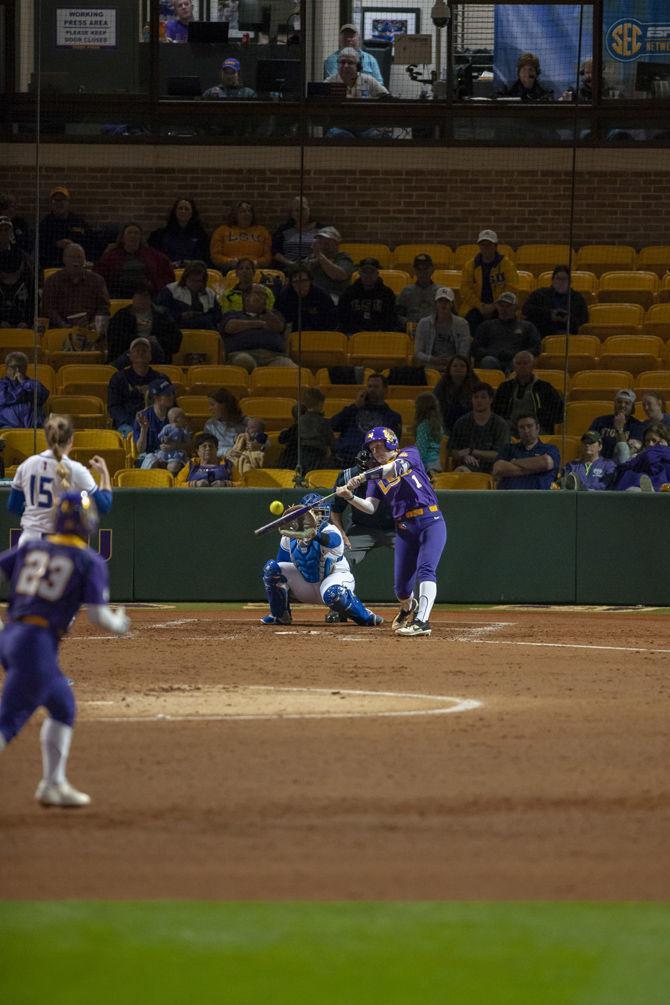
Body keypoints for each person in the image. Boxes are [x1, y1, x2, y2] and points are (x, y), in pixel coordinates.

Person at [0, 491, 130, 807]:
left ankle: (53, 784)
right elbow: (99, 617)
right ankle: (52, 784)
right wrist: (120, 624)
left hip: (11, 635)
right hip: (37, 644)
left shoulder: (31, 545)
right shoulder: (88, 559)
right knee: (7, 723)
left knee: (63, 707)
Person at [338, 427, 447, 638]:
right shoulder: (375, 479)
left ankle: (422, 621)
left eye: (379, 446)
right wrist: (349, 497)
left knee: (426, 569)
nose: (376, 452)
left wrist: (360, 477)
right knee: (401, 589)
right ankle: (407, 608)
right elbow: (370, 507)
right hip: (405, 528)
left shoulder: (410, 453)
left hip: (430, 520)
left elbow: (395, 469)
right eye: (372, 449)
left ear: (390, 443)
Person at [261, 493, 383, 627]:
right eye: (311, 512)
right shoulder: (290, 536)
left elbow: (331, 541)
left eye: (319, 512)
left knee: (333, 594)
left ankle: (365, 616)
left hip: (333, 578)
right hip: (306, 584)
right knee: (271, 568)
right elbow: (280, 567)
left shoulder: (332, 531)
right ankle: (279, 615)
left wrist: (314, 535)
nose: (315, 516)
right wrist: (284, 591)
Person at [8, 412, 112, 544]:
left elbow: (13, 507)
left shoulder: (27, 465)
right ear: (71, 440)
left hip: (29, 542)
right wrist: (104, 474)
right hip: (61, 545)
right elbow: (104, 506)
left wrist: (36, 512)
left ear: (47, 438)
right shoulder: (76, 469)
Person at [328, 446, 396, 622]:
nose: (372, 467)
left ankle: (417, 608)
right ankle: (340, 607)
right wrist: (342, 533)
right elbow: (335, 510)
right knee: (339, 560)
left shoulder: (395, 471)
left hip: (395, 528)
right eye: (367, 466)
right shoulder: (349, 476)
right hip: (362, 527)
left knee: (415, 558)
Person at [330, 372, 403, 467]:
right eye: (369, 386)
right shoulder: (353, 410)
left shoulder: (392, 417)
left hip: (373, 465)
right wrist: (355, 406)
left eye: (376, 387)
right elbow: (334, 425)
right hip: (345, 460)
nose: (372, 390)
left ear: (385, 390)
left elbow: (391, 446)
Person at [220, 284, 294, 371]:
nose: (262, 298)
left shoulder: (274, 315)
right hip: (242, 353)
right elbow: (230, 327)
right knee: (244, 362)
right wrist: (259, 324)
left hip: (274, 355)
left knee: (289, 368)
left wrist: (264, 311)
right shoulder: (234, 314)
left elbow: (279, 327)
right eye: (258, 294)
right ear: (246, 297)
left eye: (265, 295)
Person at [459, 229, 519, 336]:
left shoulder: (507, 265)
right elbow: (465, 289)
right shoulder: (470, 265)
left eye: (489, 244)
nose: (486, 247)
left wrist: (496, 305)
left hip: (501, 307)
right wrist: (480, 305)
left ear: (495, 246)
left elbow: (512, 288)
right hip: (475, 307)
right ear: (479, 246)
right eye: (483, 244)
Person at [106, 282, 182, 364]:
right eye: (139, 296)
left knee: (151, 347)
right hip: (129, 352)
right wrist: (140, 341)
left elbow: (175, 338)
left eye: (145, 296)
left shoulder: (163, 315)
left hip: (154, 353)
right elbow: (115, 339)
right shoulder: (122, 315)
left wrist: (158, 340)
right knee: (138, 351)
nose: (142, 300)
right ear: (133, 298)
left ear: (151, 298)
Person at [492, 351, 564, 435]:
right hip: (509, 429)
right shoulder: (504, 387)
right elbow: (496, 412)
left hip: (538, 430)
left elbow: (558, 413)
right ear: (513, 366)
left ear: (533, 366)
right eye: (518, 363)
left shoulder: (545, 387)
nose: (522, 366)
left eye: (525, 363)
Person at [107, 337, 169, 436]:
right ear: (130, 356)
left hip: (156, 423)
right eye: (136, 350)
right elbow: (113, 407)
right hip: (127, 423)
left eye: (144, 350)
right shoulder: (118, 378)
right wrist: (131, 421)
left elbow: (170, 404)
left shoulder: (161, 379)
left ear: (150, 356)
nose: (140, 353)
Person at [95, 222, 175, 298]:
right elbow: (99, 276)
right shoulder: (111, 256)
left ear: (141, 237)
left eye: (136, 233)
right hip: (118, 293)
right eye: (129, 233)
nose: (133, 235)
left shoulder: (153, 255)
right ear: (122, 237)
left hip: (145, 294)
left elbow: (166, 270)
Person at [324, 49, 389, 140]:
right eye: (342, 62)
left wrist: (381, 124)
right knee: (342, 136)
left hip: (366, 128)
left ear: (358, 66)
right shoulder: (329, 82)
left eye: (350, 63)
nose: (346, 66)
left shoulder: (369, 80)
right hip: (340, 128)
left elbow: (386, 98)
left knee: (380, 136)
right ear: (338, 64)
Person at [42, 242, 110, 329]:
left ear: (84, 260)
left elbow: (104, 307)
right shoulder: (52, 281)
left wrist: (94, 323)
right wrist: (63, 325)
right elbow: (48, 308)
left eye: (79, 257)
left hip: (90, 329)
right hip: (60, 330)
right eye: (71, 257)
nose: (76, 261)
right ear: (64, 259)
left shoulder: (97, 280)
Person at [448, 382, 510, 473]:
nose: (479, 400)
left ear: (491, 400)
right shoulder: (462, 422)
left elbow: (500, 454)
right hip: (467, 465)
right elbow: (452, 450)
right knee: (461, 471)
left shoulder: (500, 424)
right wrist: (464, 456)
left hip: (493, 467)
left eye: (483, 397)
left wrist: (472, 451)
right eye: (475, 397)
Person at [472, 292, 540, 372]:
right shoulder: (487, 325)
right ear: (497, 307)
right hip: (493, 358)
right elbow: (476, 347)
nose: (504, 309)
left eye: (508, 306)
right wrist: (494, 353)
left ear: (515, 307)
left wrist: (517, 354)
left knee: (520, 363)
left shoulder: (527, 326)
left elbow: (535, 347)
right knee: (488, 361)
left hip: (516, 359)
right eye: (501, 306)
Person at [492, 413, 560, 490]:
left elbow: (546, 463)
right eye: (521, 427)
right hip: (510, 498)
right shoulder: (508, 449)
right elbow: (498, 468)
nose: (526, 430)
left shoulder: (550, 448)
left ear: (537, 428)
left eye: (529, 426)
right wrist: (535, 468)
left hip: (539, 498)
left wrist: (514, 462)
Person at [521, 265, 589, 339]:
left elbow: (584, 320)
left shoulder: (578, 298)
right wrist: (549, 314)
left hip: (570, 336)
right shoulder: (539, 294)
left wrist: (569, 319)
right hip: (542, 334)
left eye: (564, 279)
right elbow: (526, 310)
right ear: (552, 280)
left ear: (570, 282)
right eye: (558, 279)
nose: (561, 282)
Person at [337, 258, 400, 334]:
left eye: (372, 272)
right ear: (359, 273)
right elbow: (342, 316)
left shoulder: (387, 293)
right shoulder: (349, 293)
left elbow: (391, 318)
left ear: (377, 273)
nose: (368, 275)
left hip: (379, 335)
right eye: (365, 272)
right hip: (353, 335)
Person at [277, 388, 334, 473]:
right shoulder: (323, 422)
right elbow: (329, 440)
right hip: (318, 459)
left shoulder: (300, 421)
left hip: (301, 459)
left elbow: (283, 438)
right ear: (320, 404)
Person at [156, 261, 223, 332]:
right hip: (176, 328)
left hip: (204, 328)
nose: (195, 284)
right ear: (185, 278)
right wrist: (180, 316)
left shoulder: (210, 294)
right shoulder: (170, 290)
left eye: (199, 281)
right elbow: (161, 313)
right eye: (192, 280)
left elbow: (217, 316)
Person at [414, 287, 471, 368]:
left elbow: (464, 352)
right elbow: (418, 353)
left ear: (452, 304)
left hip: (454, 367)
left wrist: (452, 360)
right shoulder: (424, 323)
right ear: (436, 303)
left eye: (447, 301)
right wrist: (432, 359)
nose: (444, 304)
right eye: (440, 301)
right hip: (430, 366)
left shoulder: (462, 324)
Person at [210, 201, 271, 271]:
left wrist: (255, 262)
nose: (247, 214)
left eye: (249, 211)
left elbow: (267, 257)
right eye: (243, 211)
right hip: (229, 270)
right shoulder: (221, 231)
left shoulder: (262, 232)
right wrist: (229, 261)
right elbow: (215, 255)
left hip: (255, 270)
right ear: (235, 215)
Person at [148, 197, 210, 266]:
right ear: (175, 211)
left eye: (186, 209)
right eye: (180, 208)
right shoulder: (160, 234)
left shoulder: (200, 235)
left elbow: (203, 258)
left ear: (192, 213)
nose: (183, 211)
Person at [38, 186, 87, 271]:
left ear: (68, 203)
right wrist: (56, 245)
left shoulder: (78, 222)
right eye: (56, 200)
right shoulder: (45, 224)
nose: (59, 203)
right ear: (51, 203)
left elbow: (89, 243)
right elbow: (40, 249)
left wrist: (74, 246)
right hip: (52, 266)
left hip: (76, 267)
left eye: (63, 200)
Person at [275, 264, 337, 332]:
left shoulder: (322, 296)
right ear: (291, 283)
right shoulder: (284, 296)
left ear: (310, 281)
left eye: (303, 281)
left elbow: (331, 321)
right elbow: (281, 320)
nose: (300, 285)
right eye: (295, 282)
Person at [589, 389, 645, 460]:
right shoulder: (600, 421)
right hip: (599, 462)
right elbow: (589, 442)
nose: (622, 405)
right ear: (615, 405)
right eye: (619, 402)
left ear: (633, 408)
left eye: (627, 403)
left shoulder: (638, 426)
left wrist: (619, 428)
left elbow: (628, 454)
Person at [613, 423, 670, 492]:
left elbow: (650, 458)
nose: (650, 444)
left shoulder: (650, 453)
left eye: (654, 440)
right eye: (647, 441)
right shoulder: (640, 456)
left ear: (663, 441)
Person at [0, 352, 49, 429]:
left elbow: (43, 395)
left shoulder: (33, 384)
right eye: (13, 367)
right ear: (7, 368)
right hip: (8, 427)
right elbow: (4, 398)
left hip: (35, 429)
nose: (17, 370)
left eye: (21, 367)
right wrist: (23, 390)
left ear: (25, 368)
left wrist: (24, 382)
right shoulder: (2, 384)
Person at [134, 378, 176, 468]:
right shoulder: (143, 416)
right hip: (149, 456)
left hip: (170, 455)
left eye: (172, 393)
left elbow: (188, 444)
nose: (172, 397)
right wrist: (144, 429)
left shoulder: (175, 414)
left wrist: (174, 446)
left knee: (174, 465)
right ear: (157, 398)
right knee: (153, 463)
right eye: (168, 395)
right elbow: (140, 450)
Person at [306, 226, 354, 302]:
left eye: (327, 243)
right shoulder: (313, 257)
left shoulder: (343, 258)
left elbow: (338, 276)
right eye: (321, 242)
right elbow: (302, 272)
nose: (323, 246)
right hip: (312, 296)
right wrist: (316, 260)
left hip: (335, 296)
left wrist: (320, 256)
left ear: (336, 244)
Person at [433, 354, 478, 434]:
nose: (458, 368)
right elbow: (435, 405)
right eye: (455, 366)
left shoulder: (476, 384)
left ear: (468, 369)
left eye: (462, 366)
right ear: (449, 369)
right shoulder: (442, 384)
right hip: (446, 423)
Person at [272, 196, 321, 268]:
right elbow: (275, 251)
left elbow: (326, 251)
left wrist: (309, 263)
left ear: (309, 210)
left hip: (313, 267)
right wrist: (290, 263)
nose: (300, 213)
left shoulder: (320, 229)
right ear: (292, 213)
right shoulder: (283, 229)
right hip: (288, 267)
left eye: (303, 209)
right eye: (296, 210)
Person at [396, 253, 439, 326]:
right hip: (412, 330)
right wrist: (407, 323)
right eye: (419, 269)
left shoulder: (440, 291)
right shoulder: (406, 291)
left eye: (425, 268)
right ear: (414, 270)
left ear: (432, 269)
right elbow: (398, 314)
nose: (422, 272)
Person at [203, 387, 247, 459]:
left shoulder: (246, 422)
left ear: (224, 405)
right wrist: (226, 452)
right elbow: (207, 449)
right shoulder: (210, 425)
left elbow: (265, 444)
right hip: (219, 461)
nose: (210, 408)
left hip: (242, 458)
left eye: (212, 404)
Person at [0, 242, 34, 329]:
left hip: (23, 329)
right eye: (6, 277)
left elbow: (33, 306)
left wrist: (27, 322)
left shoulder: (29, 280)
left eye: (14, 276)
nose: (11, 281)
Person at [153, 406, 191, 475]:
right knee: (153, 462)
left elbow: (187, 442)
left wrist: (187, 432)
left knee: (174, 467)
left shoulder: (182, 430)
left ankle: (170, 474)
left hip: (176, 454)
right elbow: (160, 436)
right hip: (165, 452)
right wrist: (163, 438)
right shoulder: (167, 427)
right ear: (175, 419)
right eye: (183, 417)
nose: (185, 419)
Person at [414, 392, 444, 472]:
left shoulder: (423, 426)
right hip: (438, 464)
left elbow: (421, 451)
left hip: (427, 467)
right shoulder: (438, 426)